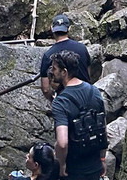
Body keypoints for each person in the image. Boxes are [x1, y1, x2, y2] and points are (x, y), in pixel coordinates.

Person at [49, 50, 107, 180]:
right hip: (95, 166)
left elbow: (62, 143)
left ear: (64, 72)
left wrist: (61, 164)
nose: (51, 71)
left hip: (73, 170)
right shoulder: (95, 91)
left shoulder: (61, 101)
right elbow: (103, 129)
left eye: (54, 68)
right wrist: (102, 158)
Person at [39, 14, 92, 100]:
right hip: (86, 96)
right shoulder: (82, 48)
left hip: (65, 100)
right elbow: (88, 73)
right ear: (69, 29)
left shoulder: (48, 55)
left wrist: (54, 101)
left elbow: (45, 89)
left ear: (52, 29)